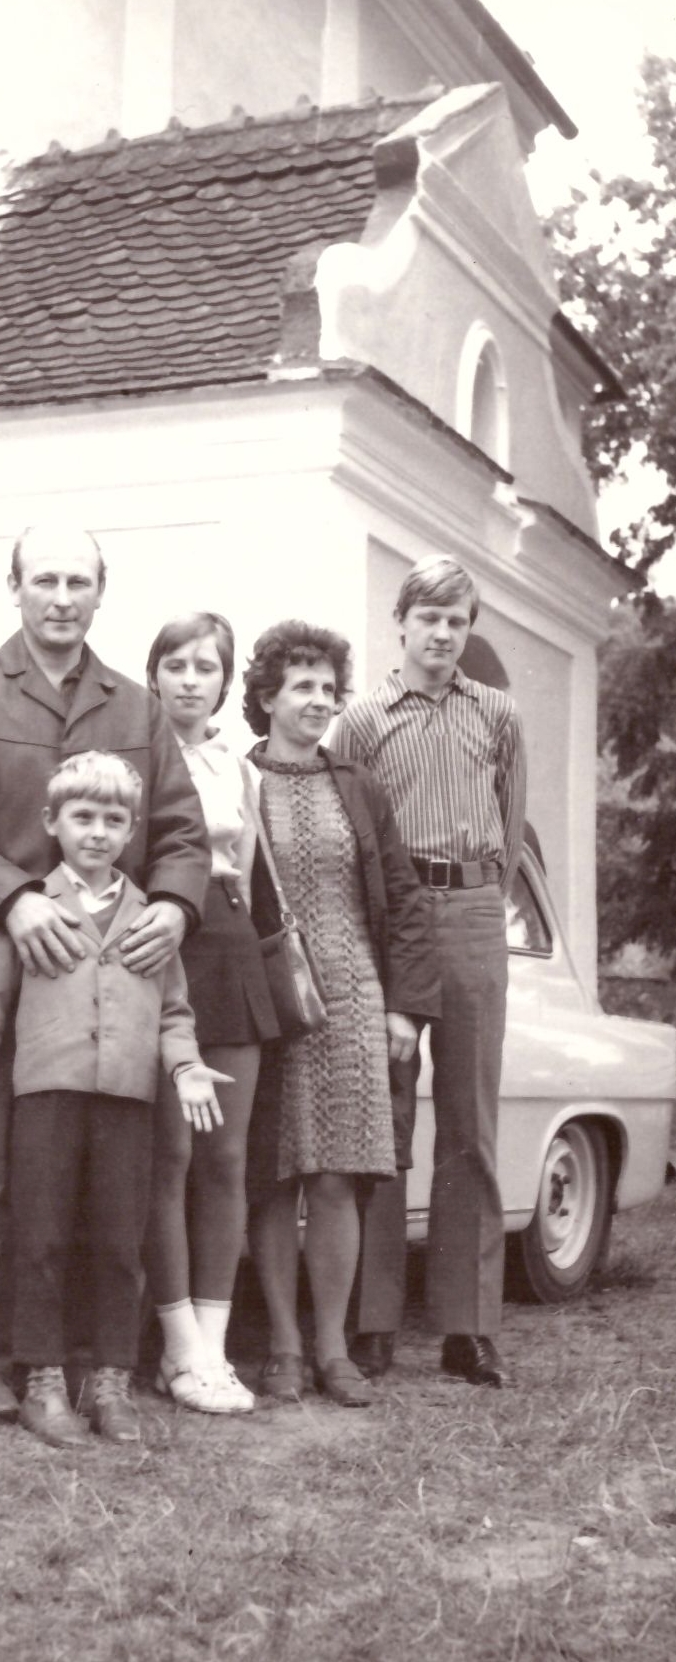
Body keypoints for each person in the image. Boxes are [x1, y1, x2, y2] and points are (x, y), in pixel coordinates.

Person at [0, 524, 210, 1420]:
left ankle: (79, 1364)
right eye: (45, 579)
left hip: (110, 978)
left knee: (93, 1180)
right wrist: (14, 899)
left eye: (79, 582)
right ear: (14, 587)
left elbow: (182, 834)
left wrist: (173, 908)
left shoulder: (137, 709)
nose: (62, 598)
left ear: (100, 593)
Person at [0, 752, 230, 1448]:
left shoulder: (152, 917)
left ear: (131, 830)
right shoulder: (30, 911)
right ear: (53, 822)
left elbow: (174, 1012)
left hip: (127, 1101)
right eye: (83, 817)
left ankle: (110, 1382)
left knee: (120, 1242)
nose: (97, 832)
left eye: (113, 820)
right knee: (40, 1238)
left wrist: (187, 1067)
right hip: (47, 1100)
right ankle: (43, 1382)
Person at [331, 556, 526, 1388]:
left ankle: (466, 1327)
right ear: (402, 623)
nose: (443, 634)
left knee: (470, 1122)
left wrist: (479, 898)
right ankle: (373, 1320)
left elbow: (512, 824)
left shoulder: (498, 714)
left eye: (457, 621)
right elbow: (349, 836)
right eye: (430, 618)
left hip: (475, 910)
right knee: (386, 1118)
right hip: (397, 917)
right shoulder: (363, 720)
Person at [242, 621, 439, 1407]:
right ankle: (282, 1347)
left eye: (329, 688)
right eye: (303, 687)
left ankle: (331, 1348)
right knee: (270, 1176)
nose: (320, 700)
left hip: (354, 1000)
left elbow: (405, 899)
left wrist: (405, 1010)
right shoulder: (237, 781)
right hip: (268, 1002)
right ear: (266, 698)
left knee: (335, 1179)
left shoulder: (357, 784)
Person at [143, 613, 281, 1414]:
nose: (191, 679)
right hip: (159, 949)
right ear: (153, 674)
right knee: (169, 1155)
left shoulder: (237, 766)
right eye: (177, 664)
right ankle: (177, 1347)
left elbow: (249, 873)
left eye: (206, 667)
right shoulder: (134, 753)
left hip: (227, 954)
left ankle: (214, 1346)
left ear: (226, 682)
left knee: (225, 1159)